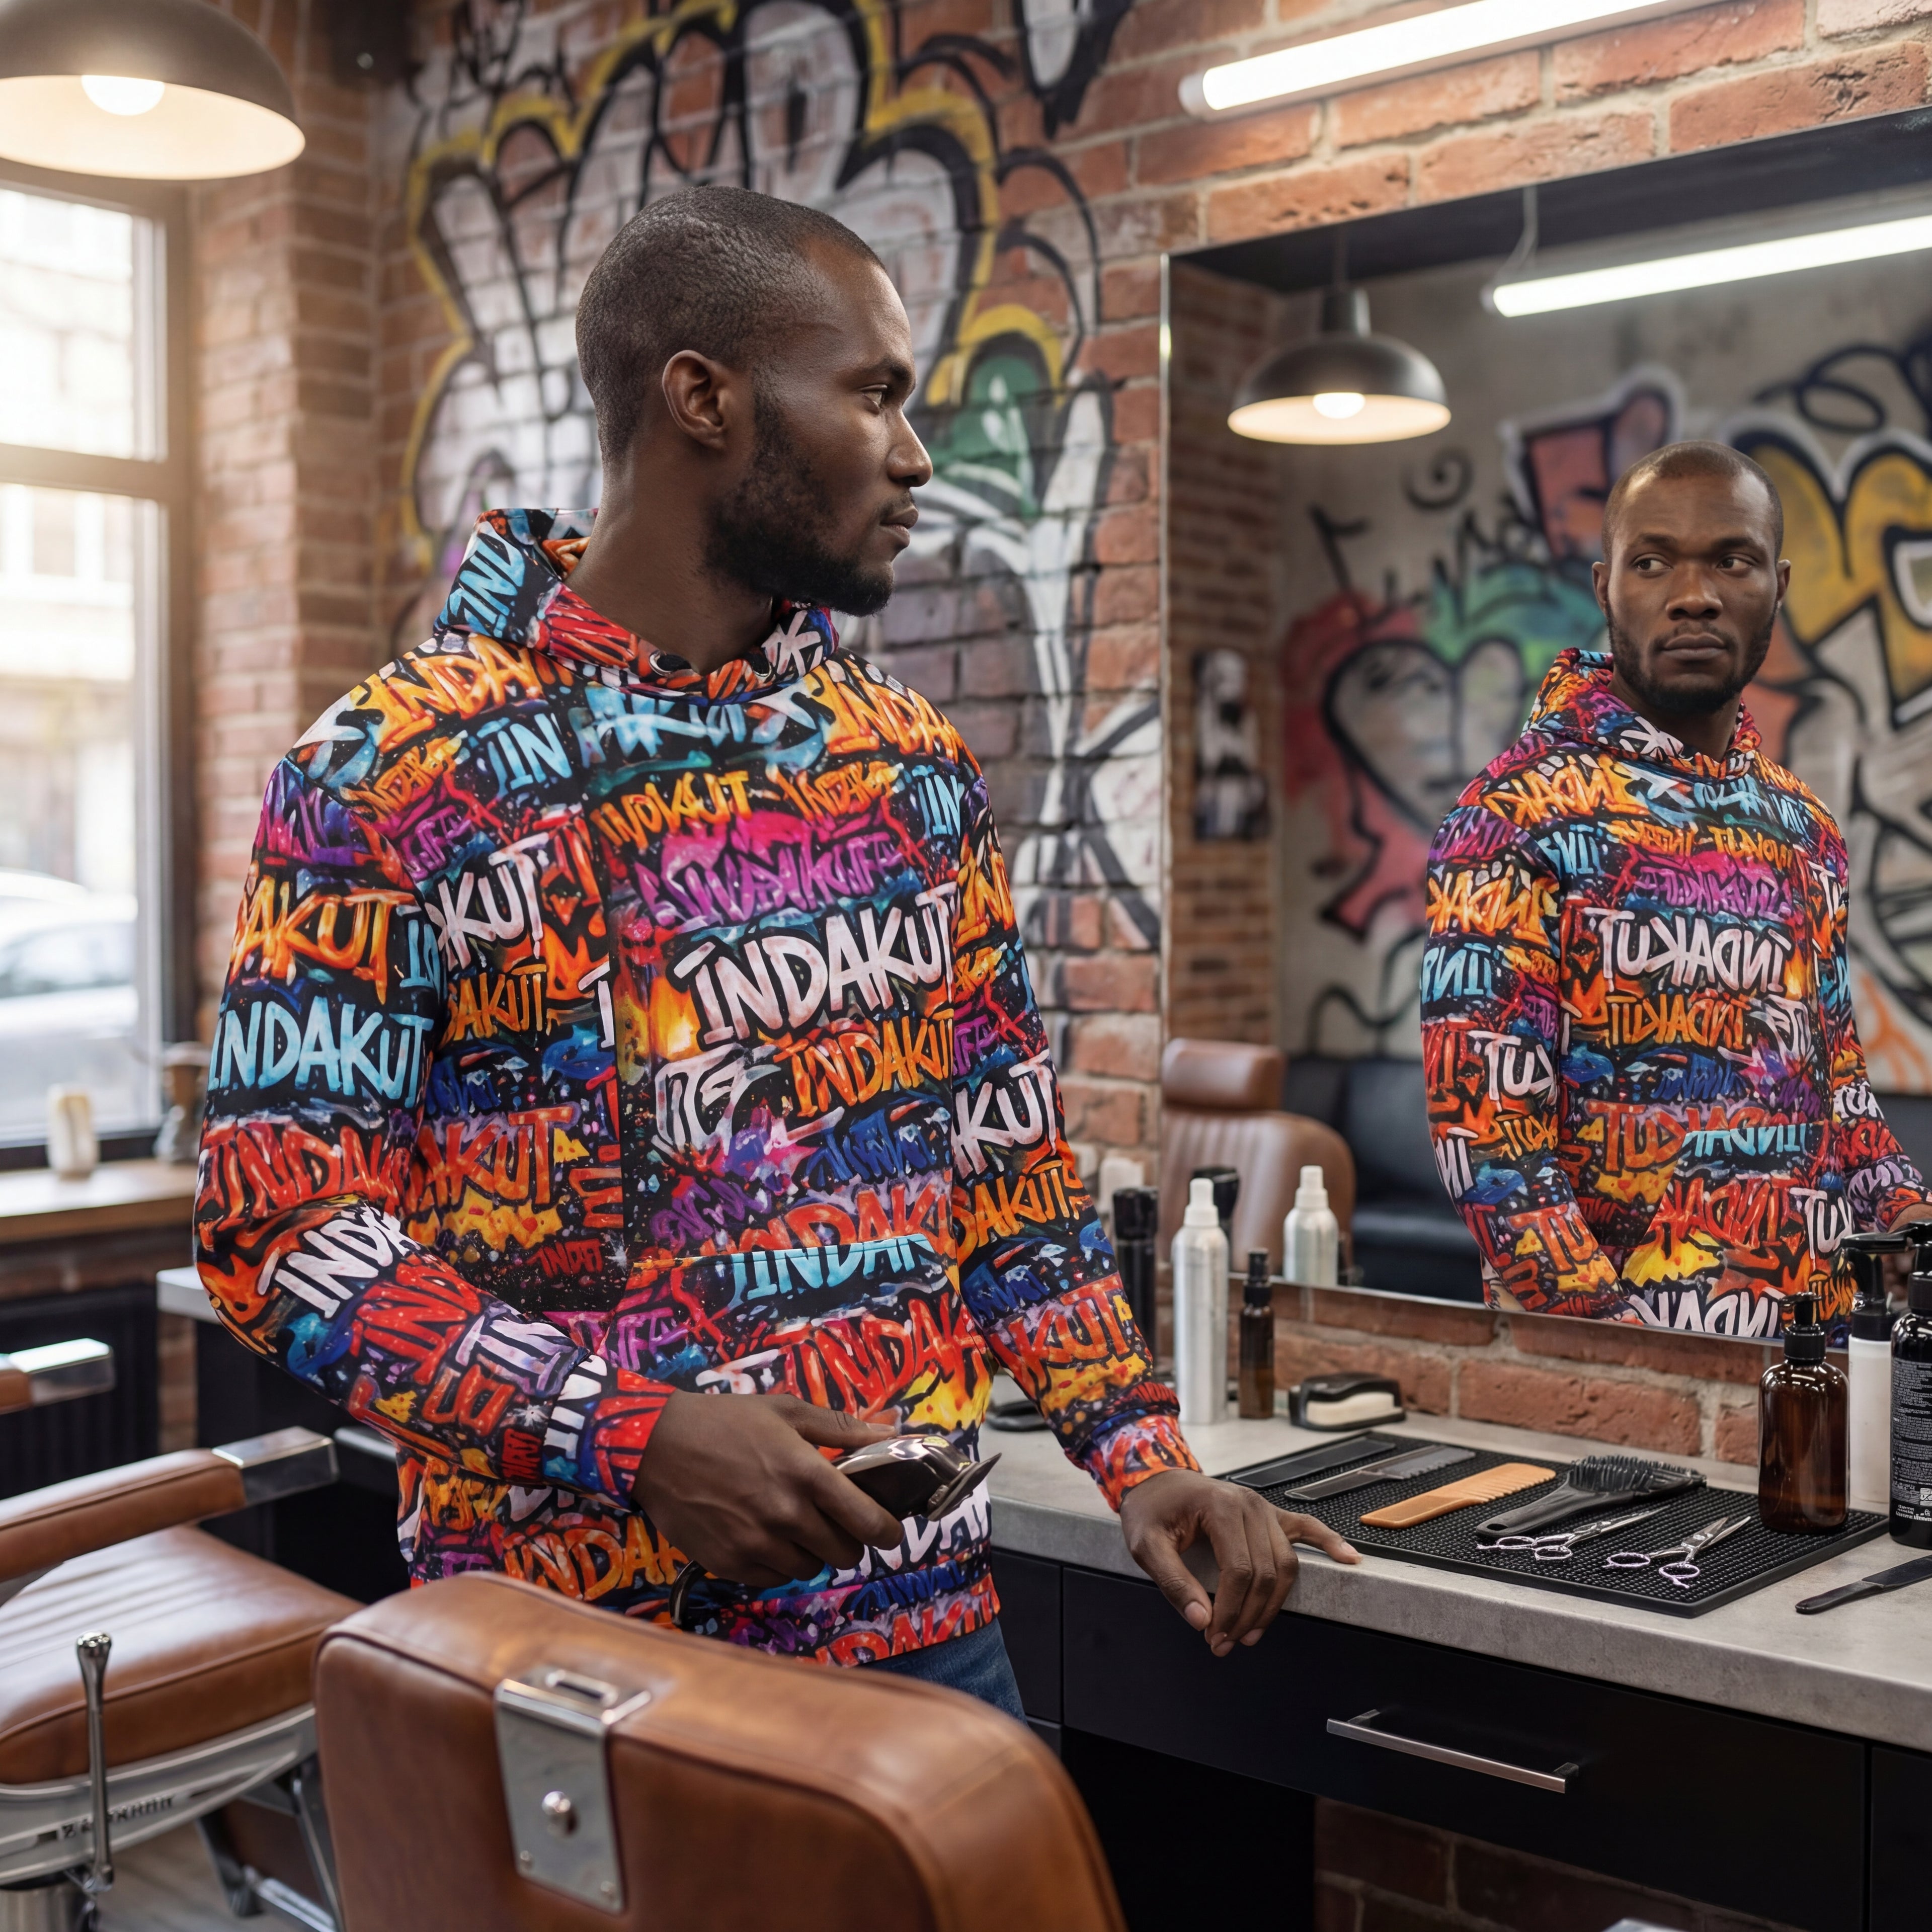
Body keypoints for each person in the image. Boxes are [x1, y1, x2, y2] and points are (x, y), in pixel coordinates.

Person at [195, 186, 1356, 1717]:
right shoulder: (395, 768)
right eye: (872, 392)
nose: (914, 452)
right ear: (704, 398)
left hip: (921, 1637)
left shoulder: (908, 768)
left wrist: (1139, 1453)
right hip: (561, 1661)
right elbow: (276, 1229)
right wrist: (626, 1430)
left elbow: (1004, 1178)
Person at [1423, 442, 1932, 1332]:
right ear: (1605, 586)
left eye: (1729, 560)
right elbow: (1492, 1143)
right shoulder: (1517, 815)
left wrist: (1907, 1215)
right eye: (1652, 561)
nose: (1692, 594)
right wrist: (1632, 1366)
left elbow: (1836, 1085)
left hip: (1815, 1361)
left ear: (1776, 586)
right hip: (1608, 1391)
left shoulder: (1802, 829)